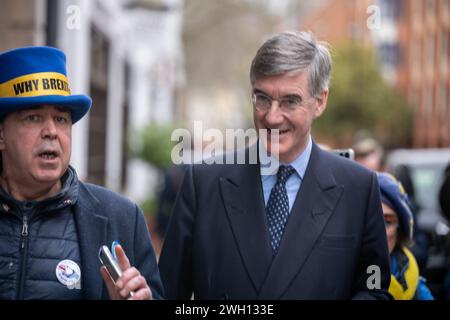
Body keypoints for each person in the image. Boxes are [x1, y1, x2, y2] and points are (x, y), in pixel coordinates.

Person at [158, 31, 391, 299]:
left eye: (290, 101)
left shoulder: (358, 188)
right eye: (262, 98)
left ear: (321, 101)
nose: (272, 116)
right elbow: (167, 292)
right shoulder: (203, 183)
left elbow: (374, 288)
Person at [0, 46, 163, 300]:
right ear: (2, 134)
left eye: (62, 119)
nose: (51, 131)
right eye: (33, 118)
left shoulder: (122, 219)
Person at [377, 172, 434, 300]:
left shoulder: (412, 280)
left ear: (400, 231)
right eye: (370, 221)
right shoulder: (338, 275)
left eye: (387, 222)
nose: (378, 232)